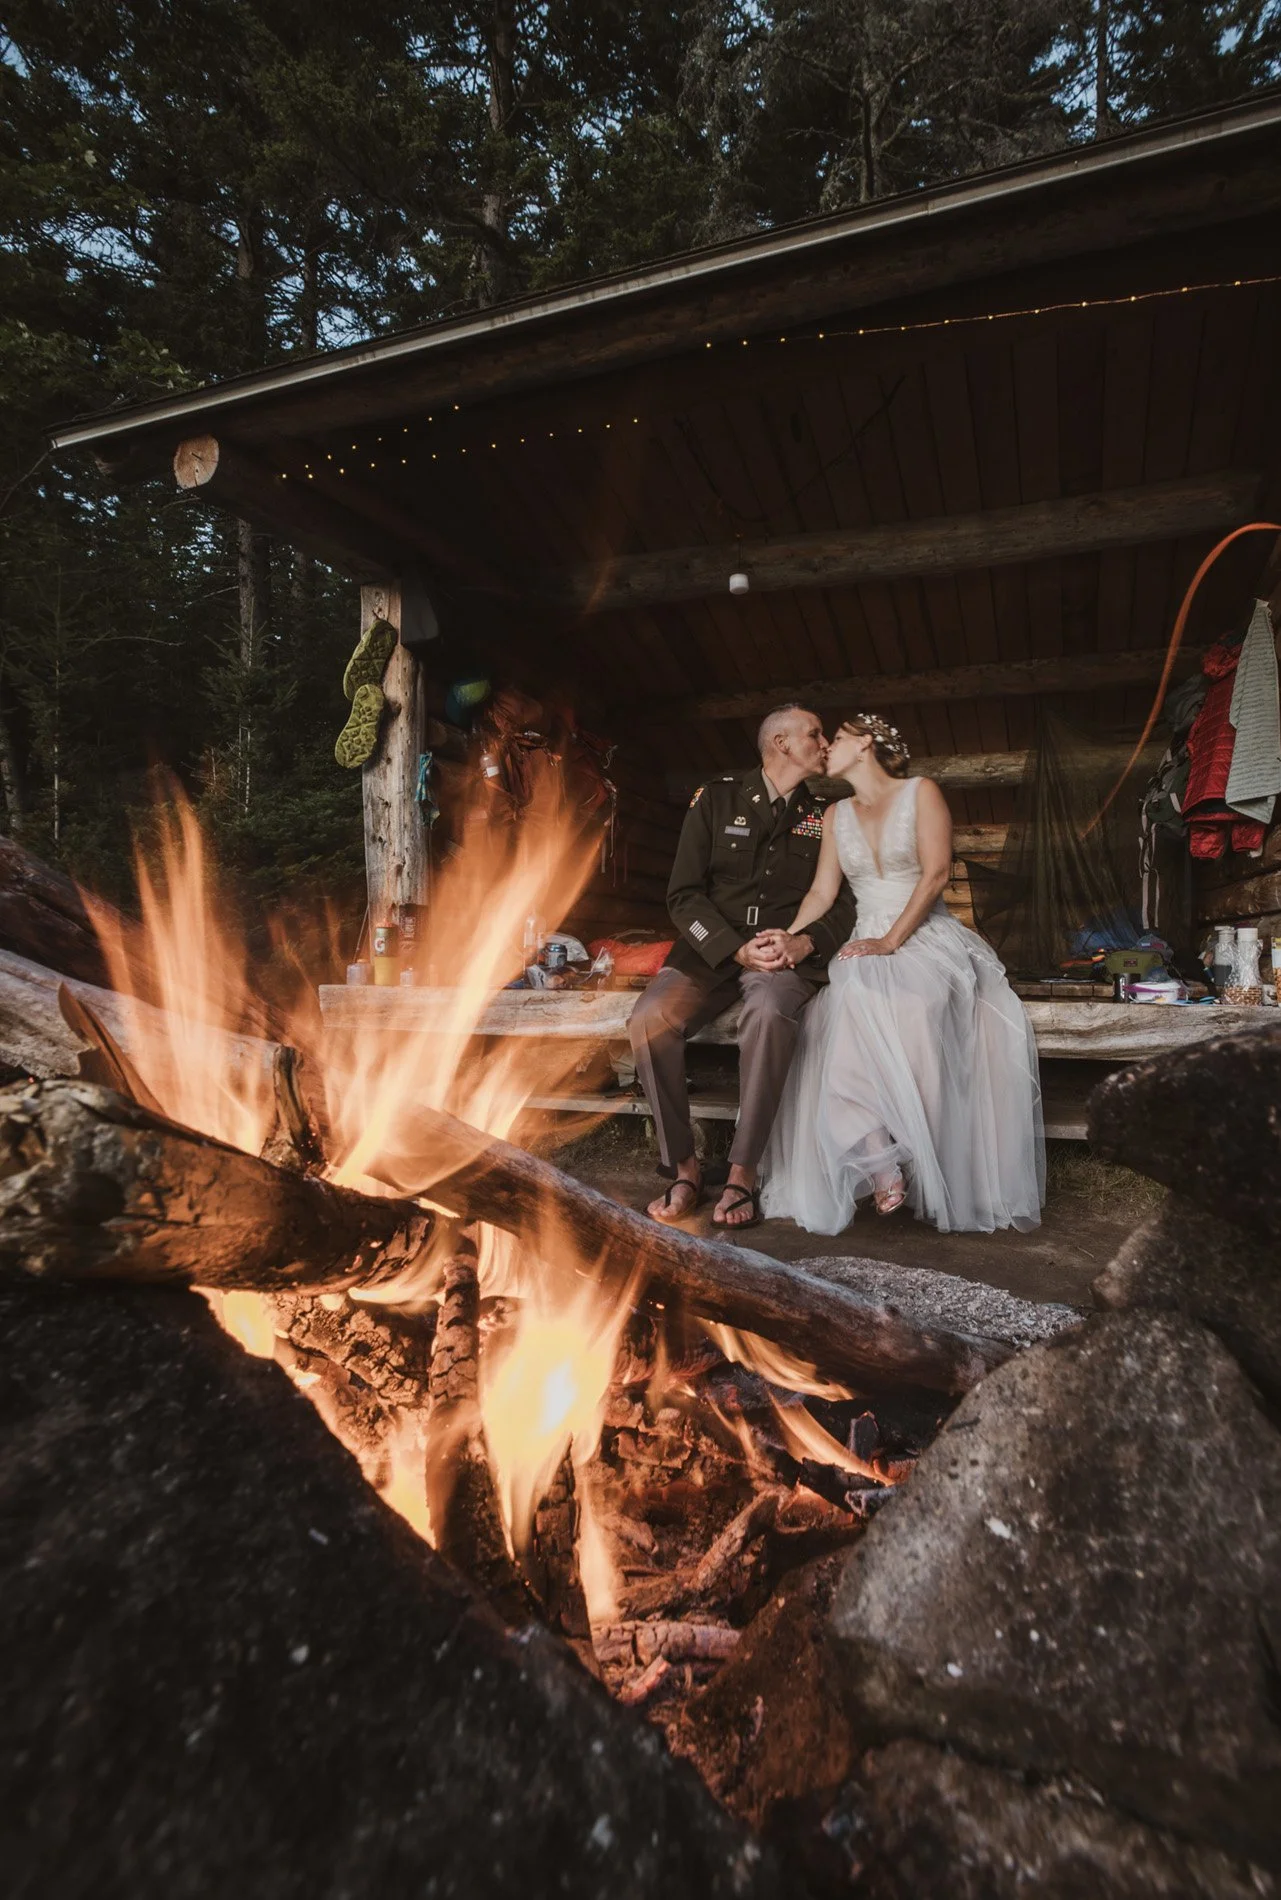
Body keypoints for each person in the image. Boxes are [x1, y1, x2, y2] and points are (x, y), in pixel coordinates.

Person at [757, 714, 1044, 1234]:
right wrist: (786, 934)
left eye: (836, 739)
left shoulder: (921, 792)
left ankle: (918, 1142)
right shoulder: (835, 814)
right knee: (850, 996)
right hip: (865, 936)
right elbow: (823, 893)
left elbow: (935, 874)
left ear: (865, 744)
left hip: (923, 936)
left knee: (913, 1002)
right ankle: (877, 1155)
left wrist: (891, 942)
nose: (826, 748)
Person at [629, 705, 856, 1227]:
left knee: (770, 1015)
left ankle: (741, 1174)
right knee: (649, 1019)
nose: (824, 743)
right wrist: (732, 947)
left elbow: (844, 900)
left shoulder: (827, 812)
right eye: (814, 734)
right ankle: (684, 1169)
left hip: (780, 958)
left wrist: (805, 944)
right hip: (711, 953)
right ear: (781, 742)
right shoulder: (717, 798)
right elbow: (683, 895)